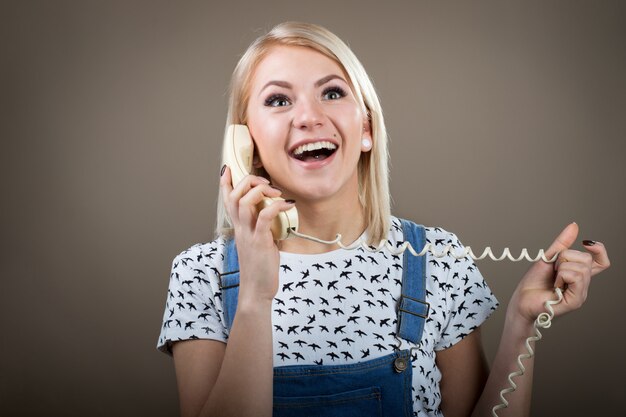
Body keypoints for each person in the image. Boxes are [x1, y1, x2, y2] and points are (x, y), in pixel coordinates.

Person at [156, 22, 610, 417]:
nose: (309, 117)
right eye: (278, 101)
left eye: (332, 93)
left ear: (367, 129)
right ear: (245, 143)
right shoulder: (201, 275)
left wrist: (521, 326)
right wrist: (255, 296)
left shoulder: (437, 260)